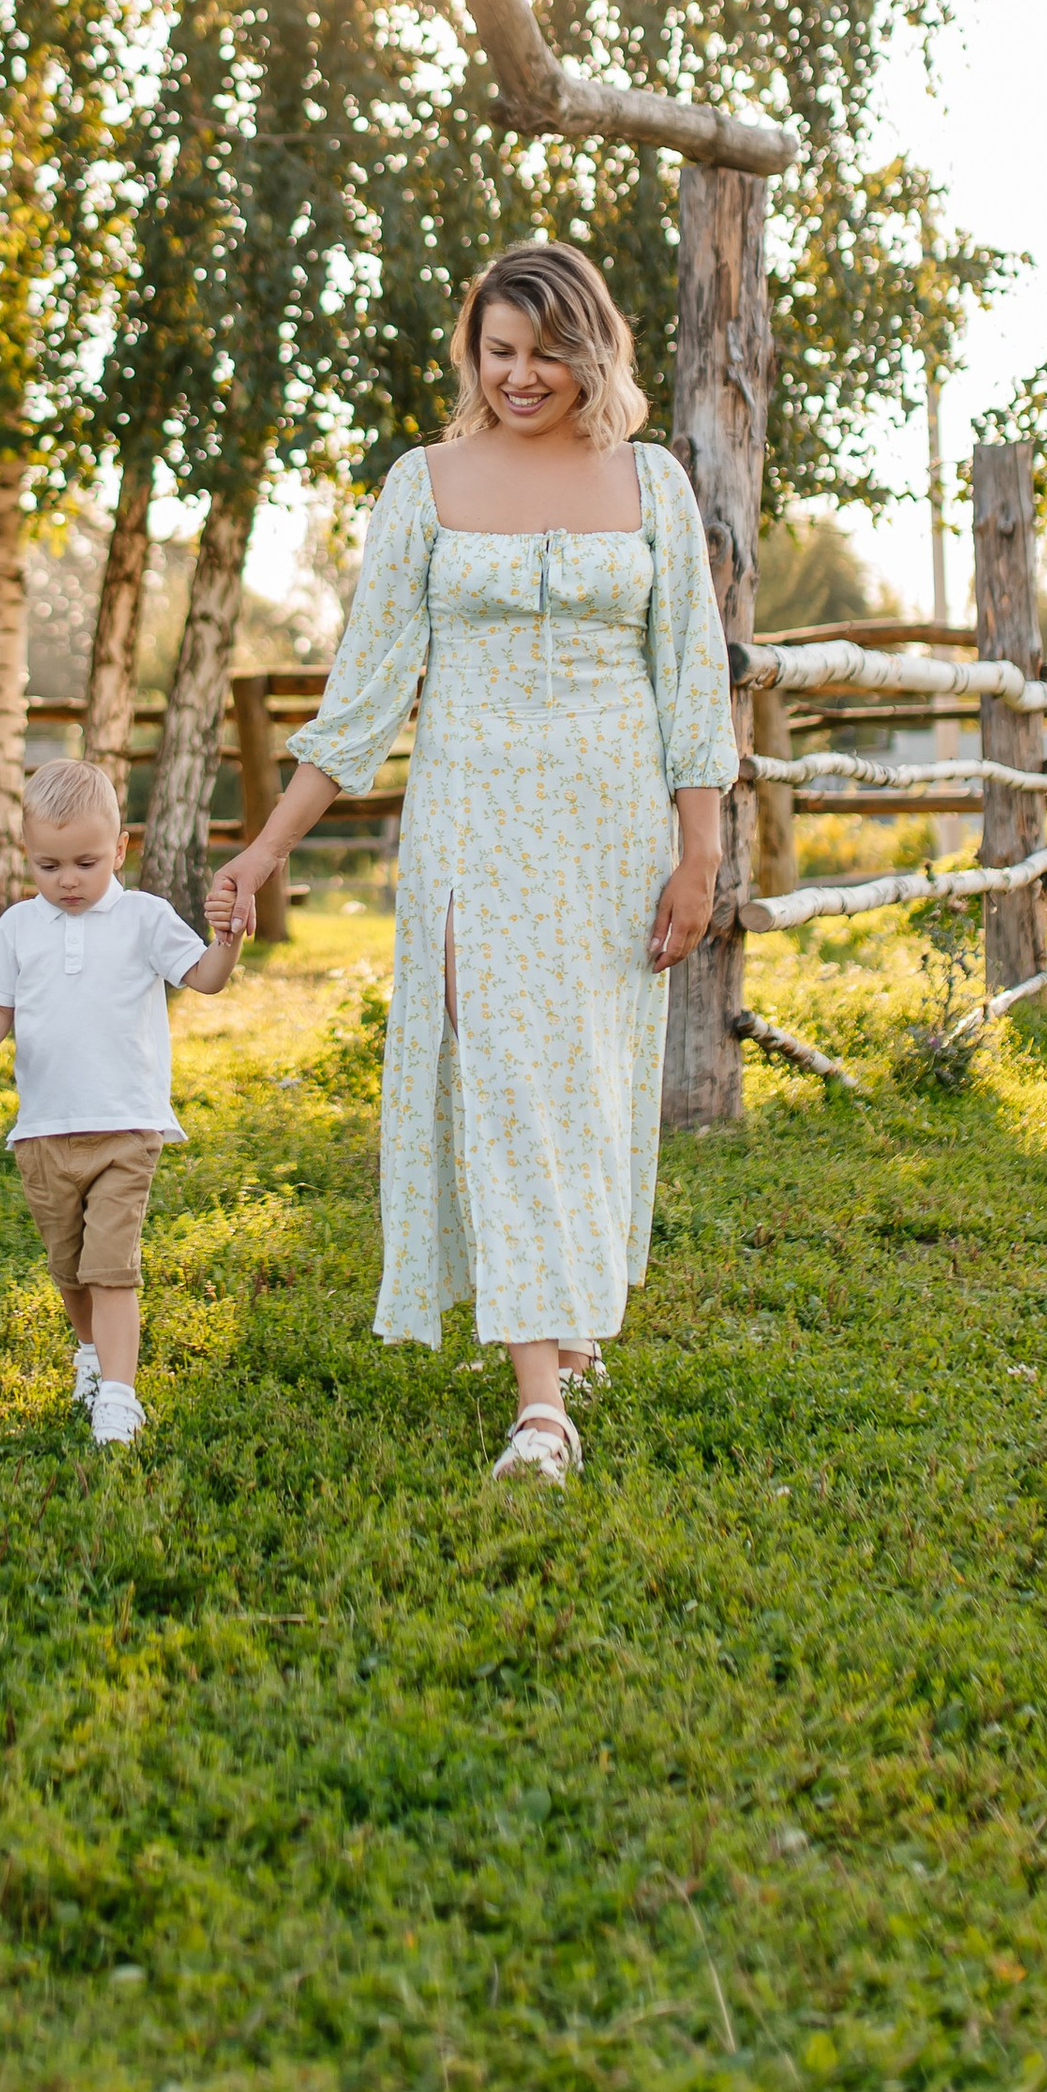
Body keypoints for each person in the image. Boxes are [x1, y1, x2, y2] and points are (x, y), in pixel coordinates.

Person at [208, 240, 734, 1485]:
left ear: (589, 347)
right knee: (496, 1070)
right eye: (497, 351)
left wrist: (698, 856)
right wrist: (267, 849)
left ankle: (566, 1313)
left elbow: (691, 685)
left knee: (588, 1079)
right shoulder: (422, 484)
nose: (519, 376)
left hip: (613, 831)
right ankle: (540, 1403)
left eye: (544, 352)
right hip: (473, 829)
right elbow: (362, 700)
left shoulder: (651, 483)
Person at [0, 753, 252, 1446]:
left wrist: (227, 943)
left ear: (119, 849)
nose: (68, 881)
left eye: (85, 862)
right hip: (44, 1129)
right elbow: (0, 1005)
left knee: (112, 1267)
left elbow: (203, 977)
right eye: (48, 867)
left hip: (125, 1125)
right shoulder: (18, 928)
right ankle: (88, 1355)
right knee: (70, 1268)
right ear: (28, 858)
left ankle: (119, 1395)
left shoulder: (144, 918)